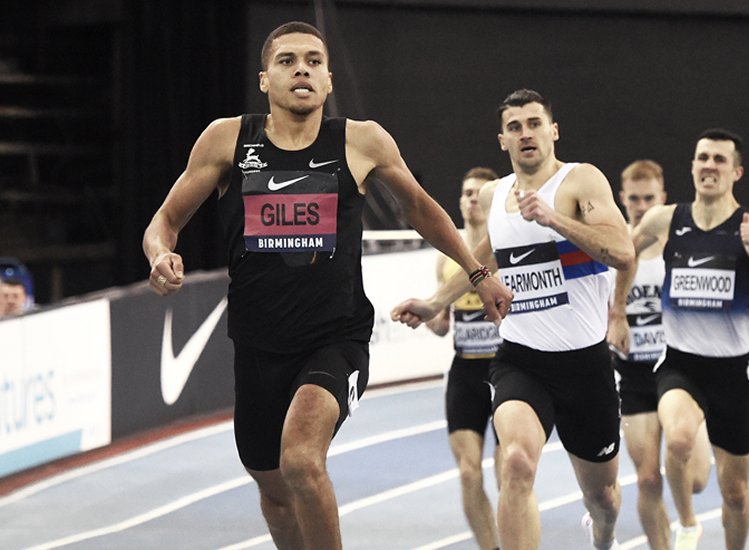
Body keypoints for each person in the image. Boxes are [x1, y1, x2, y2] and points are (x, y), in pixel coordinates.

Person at [141, 21, 512, 550]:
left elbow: (421, 211)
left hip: (335, 338)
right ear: (265, 79)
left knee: (300, 458)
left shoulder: (361, 141)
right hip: (256, 343)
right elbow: (165, 220)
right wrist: (160, 255)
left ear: (329, 80)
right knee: (273, 489)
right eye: (288, 60)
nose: (302, 70)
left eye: (314, 61)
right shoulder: (227, 139)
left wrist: (478, 272)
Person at [392, 89, 634, 550]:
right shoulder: (493, 194)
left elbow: (621, 253)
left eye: (535, 123)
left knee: (602, 496)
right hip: (523, 361)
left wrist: (554, 220)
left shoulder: (581, 182)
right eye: (515, 127)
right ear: (502, 140)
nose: (526, 134)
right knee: (517, 463)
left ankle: (602, 537)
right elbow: (483, 258)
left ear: (553, 130)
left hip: (586, 366)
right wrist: (435, 302)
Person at [623, 129, 749, 550]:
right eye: (703, 157)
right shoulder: (666, 220)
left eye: (720, 160)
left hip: (732, 372)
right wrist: (614, 310)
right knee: (680, 436)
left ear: (736, 171)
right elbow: (621, 257)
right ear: (692, 166)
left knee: (734, 492)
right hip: (680, 363)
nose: (709, 166)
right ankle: (686, 524)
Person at [606, 160, 711, 550]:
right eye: (633, 198)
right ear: (621, 199)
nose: (641, 206)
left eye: (648, 198)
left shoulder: (680, 249)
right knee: (648, 477)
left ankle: (687, 520)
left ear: (662, 199)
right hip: (633, 379)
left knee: (697, 479)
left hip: (680, 373)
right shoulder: (612, 253)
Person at [424, 166, 503, 550]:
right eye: (466, 192)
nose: (472, 198)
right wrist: (432, 321)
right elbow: (442, 322)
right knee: (470, 473)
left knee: (509, 476)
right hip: (465, 373)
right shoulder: (446, 258)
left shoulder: (506, 250)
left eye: (479, 193)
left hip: (506, 373)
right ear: (458, 200)